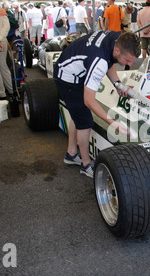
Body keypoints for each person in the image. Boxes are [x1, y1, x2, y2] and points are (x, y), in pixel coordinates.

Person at [53, 31, 141, 177]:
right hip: (67, 77)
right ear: (118, 50)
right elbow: (89, 100)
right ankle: (86, 164)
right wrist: (112, 123)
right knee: (85, 121)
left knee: (78, 114)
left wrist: (118, 84)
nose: (130, 64)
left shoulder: (118, 38)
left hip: (74, 64)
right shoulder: (99, 61)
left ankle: (71, 153)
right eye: (128, 60)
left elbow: (110, 60)